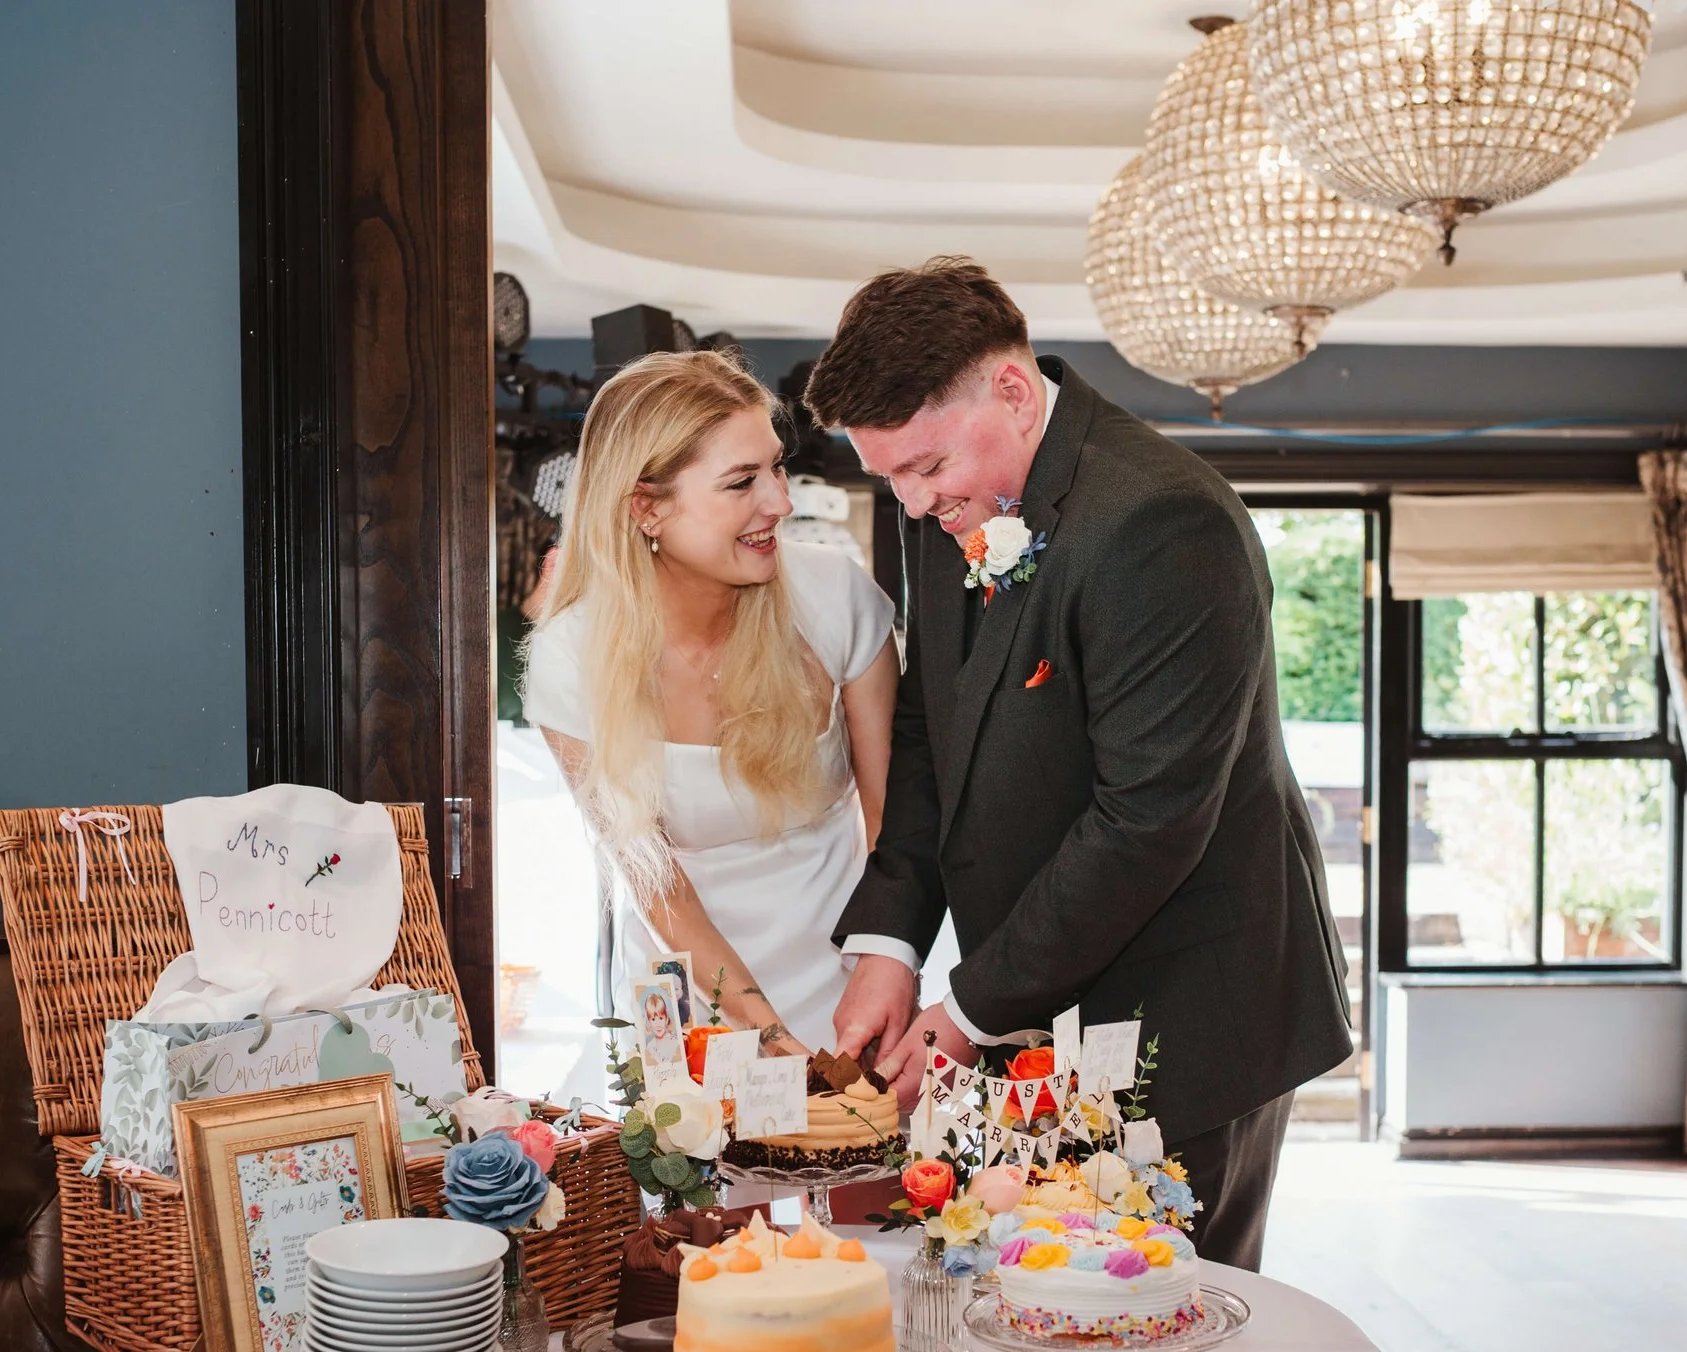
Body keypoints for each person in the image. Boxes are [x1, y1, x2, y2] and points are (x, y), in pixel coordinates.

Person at [811, 258, 1349, 1271]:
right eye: (887, 477)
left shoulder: (1163, 523)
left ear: (1010, 391)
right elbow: (933, 728)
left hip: (1191, 1009)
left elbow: (1147, 821)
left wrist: (963, 1009)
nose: (915, 502)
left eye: (924, 467)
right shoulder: (940, 506)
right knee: (1035, 1308)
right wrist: (889, 936)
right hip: (1043, 1000)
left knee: (1164, 1326)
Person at [524, 350, 899, 1059]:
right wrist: (771, 1036)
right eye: (741, 482)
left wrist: (886, 967)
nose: (780, 502)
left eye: (777, 467)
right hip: (690, 988)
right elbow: (660, 890)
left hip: (850, 980)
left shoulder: (837, 600)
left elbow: (892, 830)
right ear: (647, 507)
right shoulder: (570, 661)